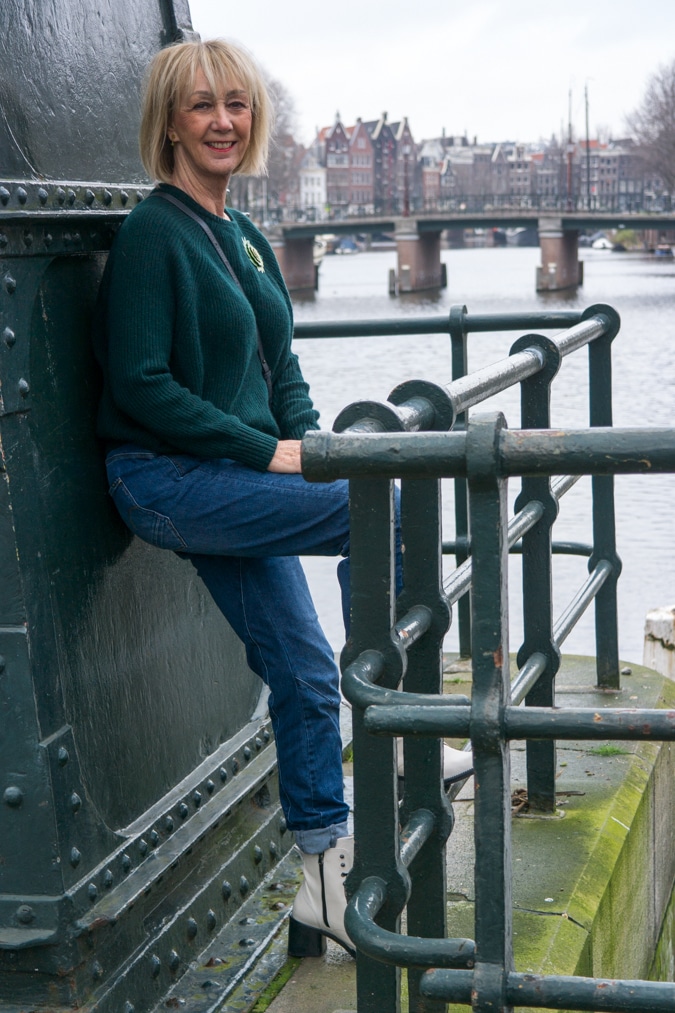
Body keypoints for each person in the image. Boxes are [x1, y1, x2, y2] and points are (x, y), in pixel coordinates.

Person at [93, 37, 471, 960]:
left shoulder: (246, 235)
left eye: (238, 104)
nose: (224, 121)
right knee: (375, 510)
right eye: (201, 106)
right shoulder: (154, 234)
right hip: (169, 481)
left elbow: (283, 371)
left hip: (232, 479)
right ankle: (390, 733)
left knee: (303, 674)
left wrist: (320, 447)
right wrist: (273, 454)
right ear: (169, 123)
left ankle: (321, 882)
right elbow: (140, 385)